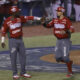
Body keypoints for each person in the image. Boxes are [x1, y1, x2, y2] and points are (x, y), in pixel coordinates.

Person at [1, 6, 41, 79]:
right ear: (13, 13)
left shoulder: (20, 18)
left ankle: (23, 72)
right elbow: (3, 31)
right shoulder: (7, 21)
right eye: (17, 11)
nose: (19, 12)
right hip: (12, 41)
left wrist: (40, 19)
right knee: (13, 58)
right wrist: (2, 41)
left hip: (20, 40)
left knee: (23, 56)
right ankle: (15, 74)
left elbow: (29, 17)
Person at [42, 7, 74, 78]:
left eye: (58, 11)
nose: (57, 12)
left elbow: (72, 29)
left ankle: (70, 72)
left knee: (65, 57)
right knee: (57, 58)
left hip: (65, 40)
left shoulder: (66, 20)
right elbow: (48, 25)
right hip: (58, 40)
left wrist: (66, 31)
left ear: (62, 12)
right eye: (57, 11)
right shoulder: (55, 20)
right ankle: (69, 62)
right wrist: (43, 23)